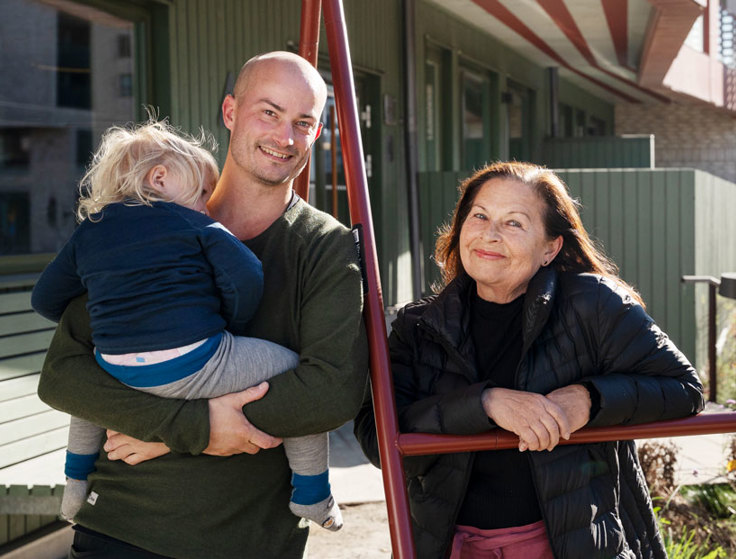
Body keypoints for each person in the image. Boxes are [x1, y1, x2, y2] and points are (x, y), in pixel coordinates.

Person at [38, 51, 368, 558]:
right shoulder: (144, 221)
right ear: (230, 112)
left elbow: (331, 392)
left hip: (247, 541)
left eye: (303, 123)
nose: (285, 136)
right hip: (120, 529)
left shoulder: (325, 245)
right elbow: (62, 375)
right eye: (269, 112)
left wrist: (179, 430)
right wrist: (198, 427)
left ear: (317, 133)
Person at [354, 161, 705, 559]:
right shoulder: (419, 326)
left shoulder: (594, 305)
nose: (489, 234)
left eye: (514, 223)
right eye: (479, 216)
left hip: (571, 544)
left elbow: (684, 388)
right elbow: (377, 437)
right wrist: (486, 404)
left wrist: (589, 398)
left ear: (549, 248)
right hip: (449, 546)